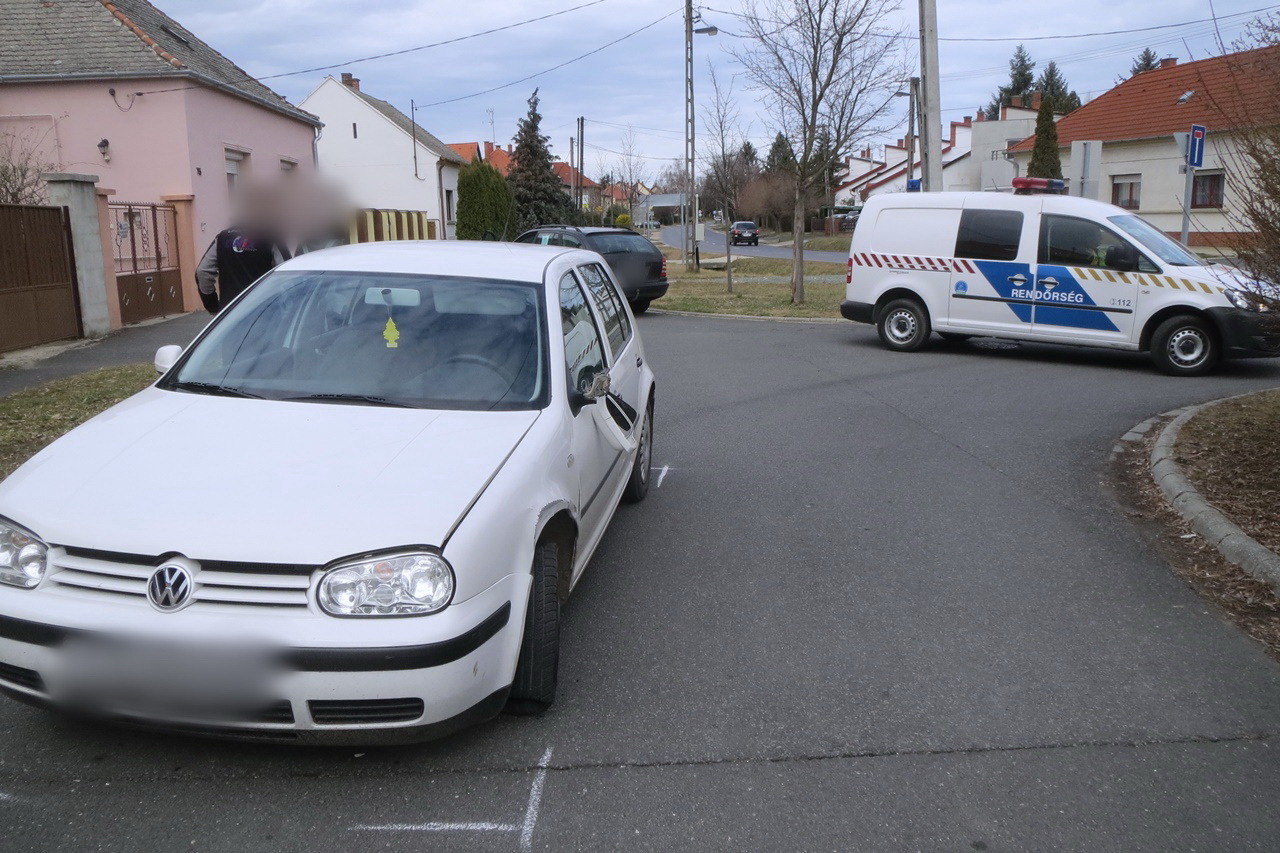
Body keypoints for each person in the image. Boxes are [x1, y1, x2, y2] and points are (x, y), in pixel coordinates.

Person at [195, 228, 290, 314]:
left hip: (229, 314)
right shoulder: (271, 237)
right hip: (264, 311)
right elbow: (289, 275)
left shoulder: (222, 238)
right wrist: (288, 309)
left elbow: (202, 271)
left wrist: (212, 306)